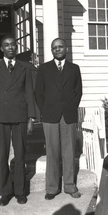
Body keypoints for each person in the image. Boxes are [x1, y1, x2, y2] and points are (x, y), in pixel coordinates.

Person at [0, 35, 36, 206]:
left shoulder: (25, 67)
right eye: (6, 45)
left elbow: (30, 93)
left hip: (20, 117)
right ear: (2, 49)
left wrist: (31, 118)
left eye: (13, 45)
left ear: (16, 47)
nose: (10, 48)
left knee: (20, 154)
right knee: (2, 156)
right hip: (0, 118)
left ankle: (20, 192)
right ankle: (5, 192)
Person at [35, 38, 82, 200]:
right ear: (51, 50)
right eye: (54, 47)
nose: (57, 49)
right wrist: (45, 110)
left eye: (60, 47)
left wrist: (70, 106)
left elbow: (78, 92)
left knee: (69, 152)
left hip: (68, 116)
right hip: (50, 116)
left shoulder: (74, 69)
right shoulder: (44, 68)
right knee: (52, 152)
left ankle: (70, 186)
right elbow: (38, 93)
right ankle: (52, 188)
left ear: (66, 49)